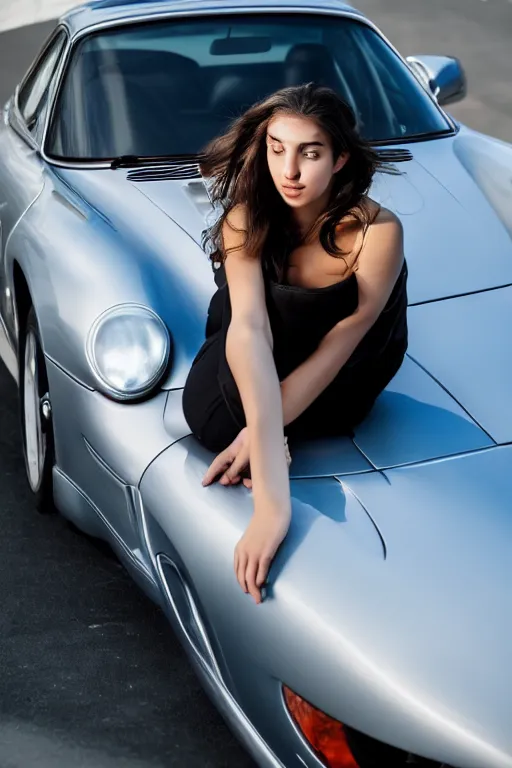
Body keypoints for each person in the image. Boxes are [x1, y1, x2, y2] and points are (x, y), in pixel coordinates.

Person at [182, 83, 408, 605]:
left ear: (340, 157)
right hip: (262, 340)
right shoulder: (247, 215)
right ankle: (275, 429)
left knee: (250, 426)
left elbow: (346, 338)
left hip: (343, 369)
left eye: (310, 153)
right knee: (212, 417)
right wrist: (270, 486)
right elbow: (249, 329)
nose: (290, 171)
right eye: (277, 149)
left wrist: (263, 456)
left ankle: (276, 427)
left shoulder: (378, 232)